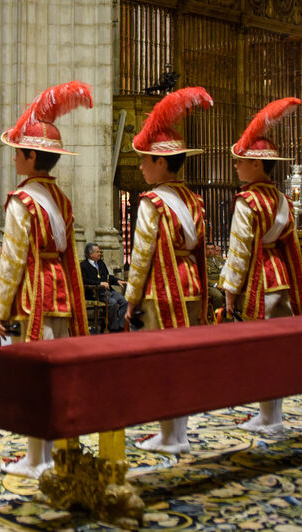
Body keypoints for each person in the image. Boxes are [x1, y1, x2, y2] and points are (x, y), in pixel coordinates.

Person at [0, 81, 93, 478]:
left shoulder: (22, 201)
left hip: (33, 293)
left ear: (31, 156)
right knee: (59, 375)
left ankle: (37, 459)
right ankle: (53, 452)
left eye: (19, 151)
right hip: (63, 293)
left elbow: (13, 258)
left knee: (36, 378)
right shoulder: (61, 199)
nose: (15, 156)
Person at [125, 86, 213, 455]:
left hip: (163, 290)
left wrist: (131, 299)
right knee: (186, 361)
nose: (140, 165)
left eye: (145, 159)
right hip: (191, 286)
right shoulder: (194, 199)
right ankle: (180, 433)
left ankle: (167, 435)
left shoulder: (153, 203)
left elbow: (142, 254)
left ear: (162, 163)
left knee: (163, 362)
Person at [218, 97, 302, 435]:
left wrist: (230, 289)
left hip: (258, 280)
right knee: (277, 352)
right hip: (282, 278)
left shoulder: (248, 201)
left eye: (241, 161)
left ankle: (267, 416)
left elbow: (240, 249)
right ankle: (273, 413)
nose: (236, 166)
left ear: (257, 165)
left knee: (261, 352)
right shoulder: (282, 199)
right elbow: (290, 242)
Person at [80, 243, 127, 332]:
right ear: (91, 254)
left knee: (124, 301)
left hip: (108, 291)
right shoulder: (84, 265)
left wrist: (117, 281)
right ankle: (113, 328)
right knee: (113, 303)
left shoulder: (100, 262)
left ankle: (120, 326)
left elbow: (107, 276)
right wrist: (99, 283)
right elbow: (84, 280)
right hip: (95, 293)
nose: (99, 254)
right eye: (97, 252)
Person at [204, 242, 226, 316]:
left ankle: (230, 314)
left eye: (212, 249)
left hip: (222, 283)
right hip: (210, 285)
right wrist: (216, 285)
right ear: (205, 250)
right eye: (208, 249)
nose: (210, 251)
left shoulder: (219, 259)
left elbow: (225, 271)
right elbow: (204, 278)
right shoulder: (204, 261)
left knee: (232, 292)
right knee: (218, 296)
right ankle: (217, 316)